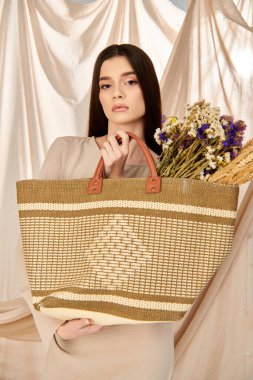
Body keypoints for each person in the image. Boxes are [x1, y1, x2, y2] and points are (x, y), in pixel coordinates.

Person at [19, 44, 174, 380]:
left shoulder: (169, 173)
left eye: (129, 82)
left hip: (140, 341)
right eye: (106, 85)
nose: (116, 92)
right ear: (98, 96)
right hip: (75, 335)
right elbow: (36, 248)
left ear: (148, 88)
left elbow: (153, 262)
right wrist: (57, 332)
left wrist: (115, 179)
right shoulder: (65, 151)